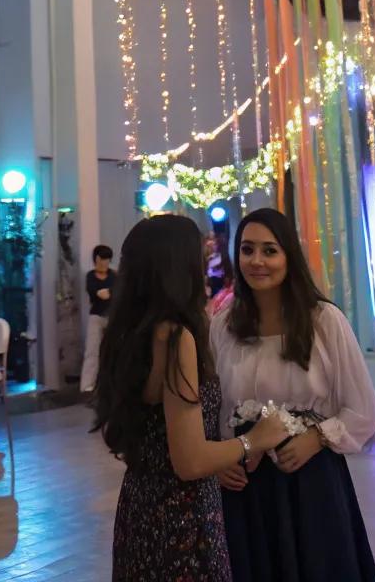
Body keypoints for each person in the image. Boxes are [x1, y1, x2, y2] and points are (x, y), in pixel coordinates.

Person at [94, 212, 287, 582]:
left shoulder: (127, 332)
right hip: (178, 516)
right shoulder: (173, 337)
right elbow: (190, 460)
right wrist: (254, 440)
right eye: (199, 259)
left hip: (140, 504)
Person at [212, 208, 375, 582]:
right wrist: (221, 457)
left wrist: (317, 439)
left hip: (309, 481)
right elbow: (215, 407)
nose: (257, 261)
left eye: (270, 250)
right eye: (248, 249)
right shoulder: (223, 324)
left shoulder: (323, 320)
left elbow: (363, 409)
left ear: (289, 255)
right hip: (247, 486)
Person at [81, 244, 116, 395]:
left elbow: (116, 292)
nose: (105, 263)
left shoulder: (114, 276)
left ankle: (113, 384)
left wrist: (108, 292)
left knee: (114, 351)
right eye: (102, 259)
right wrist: (103, 292)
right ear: (96, 259)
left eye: (108, 260)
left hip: (112, 317)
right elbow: (95, 292)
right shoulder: (90, 276)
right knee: (92, 351)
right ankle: (87, 386)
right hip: (96, 316)